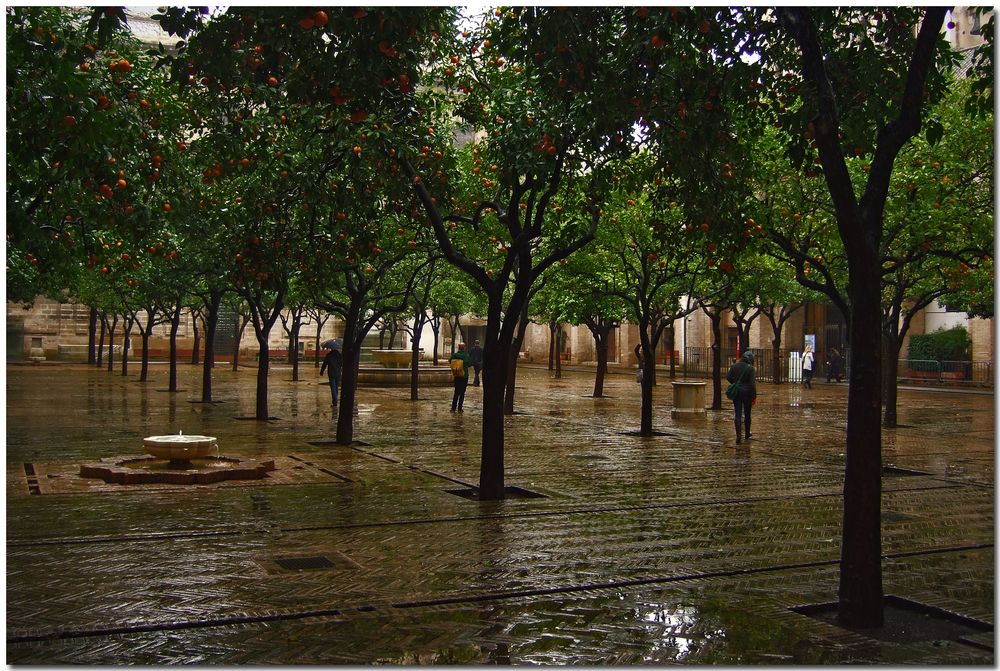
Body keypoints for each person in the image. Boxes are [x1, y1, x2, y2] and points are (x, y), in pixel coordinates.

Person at [726, 350, 757, 444]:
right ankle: (747, 433)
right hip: (747, 393)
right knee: (747, 414)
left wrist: (735, 383)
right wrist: (754, 396)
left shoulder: (734, 366)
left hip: (737, 393)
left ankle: (738, 436)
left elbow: (728, 377)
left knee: (738, 413)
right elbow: (752, 384)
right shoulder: (750, 368)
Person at [449, 342, 473, 412]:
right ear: (464, 348)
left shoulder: (454, 355)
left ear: (458, 348)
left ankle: (453, 408)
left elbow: (450, 361)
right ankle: (460, 408)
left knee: (456, 392)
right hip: (464, 376)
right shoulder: (466, 356)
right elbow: (470, 364)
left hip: (456, 375)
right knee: (462, 393)